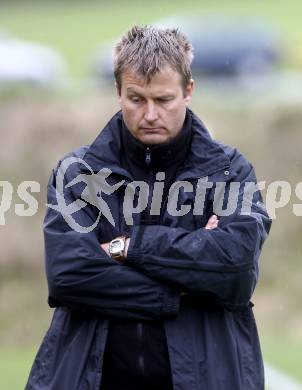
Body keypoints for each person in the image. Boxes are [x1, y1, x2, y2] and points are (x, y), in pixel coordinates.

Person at [26, 26, 271, 390]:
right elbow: (70, 276)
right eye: (137, 99)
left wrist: (129, 248)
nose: (150, 114)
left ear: (189, 91)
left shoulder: (229, 171)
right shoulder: (77, 173)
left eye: (164, 99)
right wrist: (183, 285)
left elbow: (234, 270)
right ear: (118, 92)